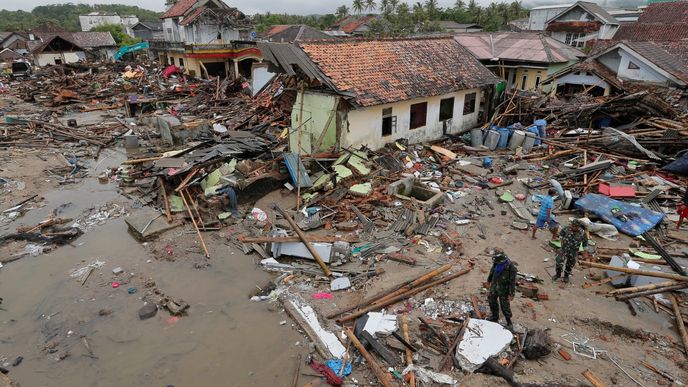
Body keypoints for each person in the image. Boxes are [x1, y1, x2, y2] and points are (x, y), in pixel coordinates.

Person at [486, 250, 517, 330]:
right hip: (494, 286)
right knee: (491, 300)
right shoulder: (496, 263)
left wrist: (511, 294)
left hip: (504, 289)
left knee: (505, 306)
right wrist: (489, 281)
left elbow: (512, 282)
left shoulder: (511, 267)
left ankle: (509, 322)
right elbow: (492, 272)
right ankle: (495, 316)